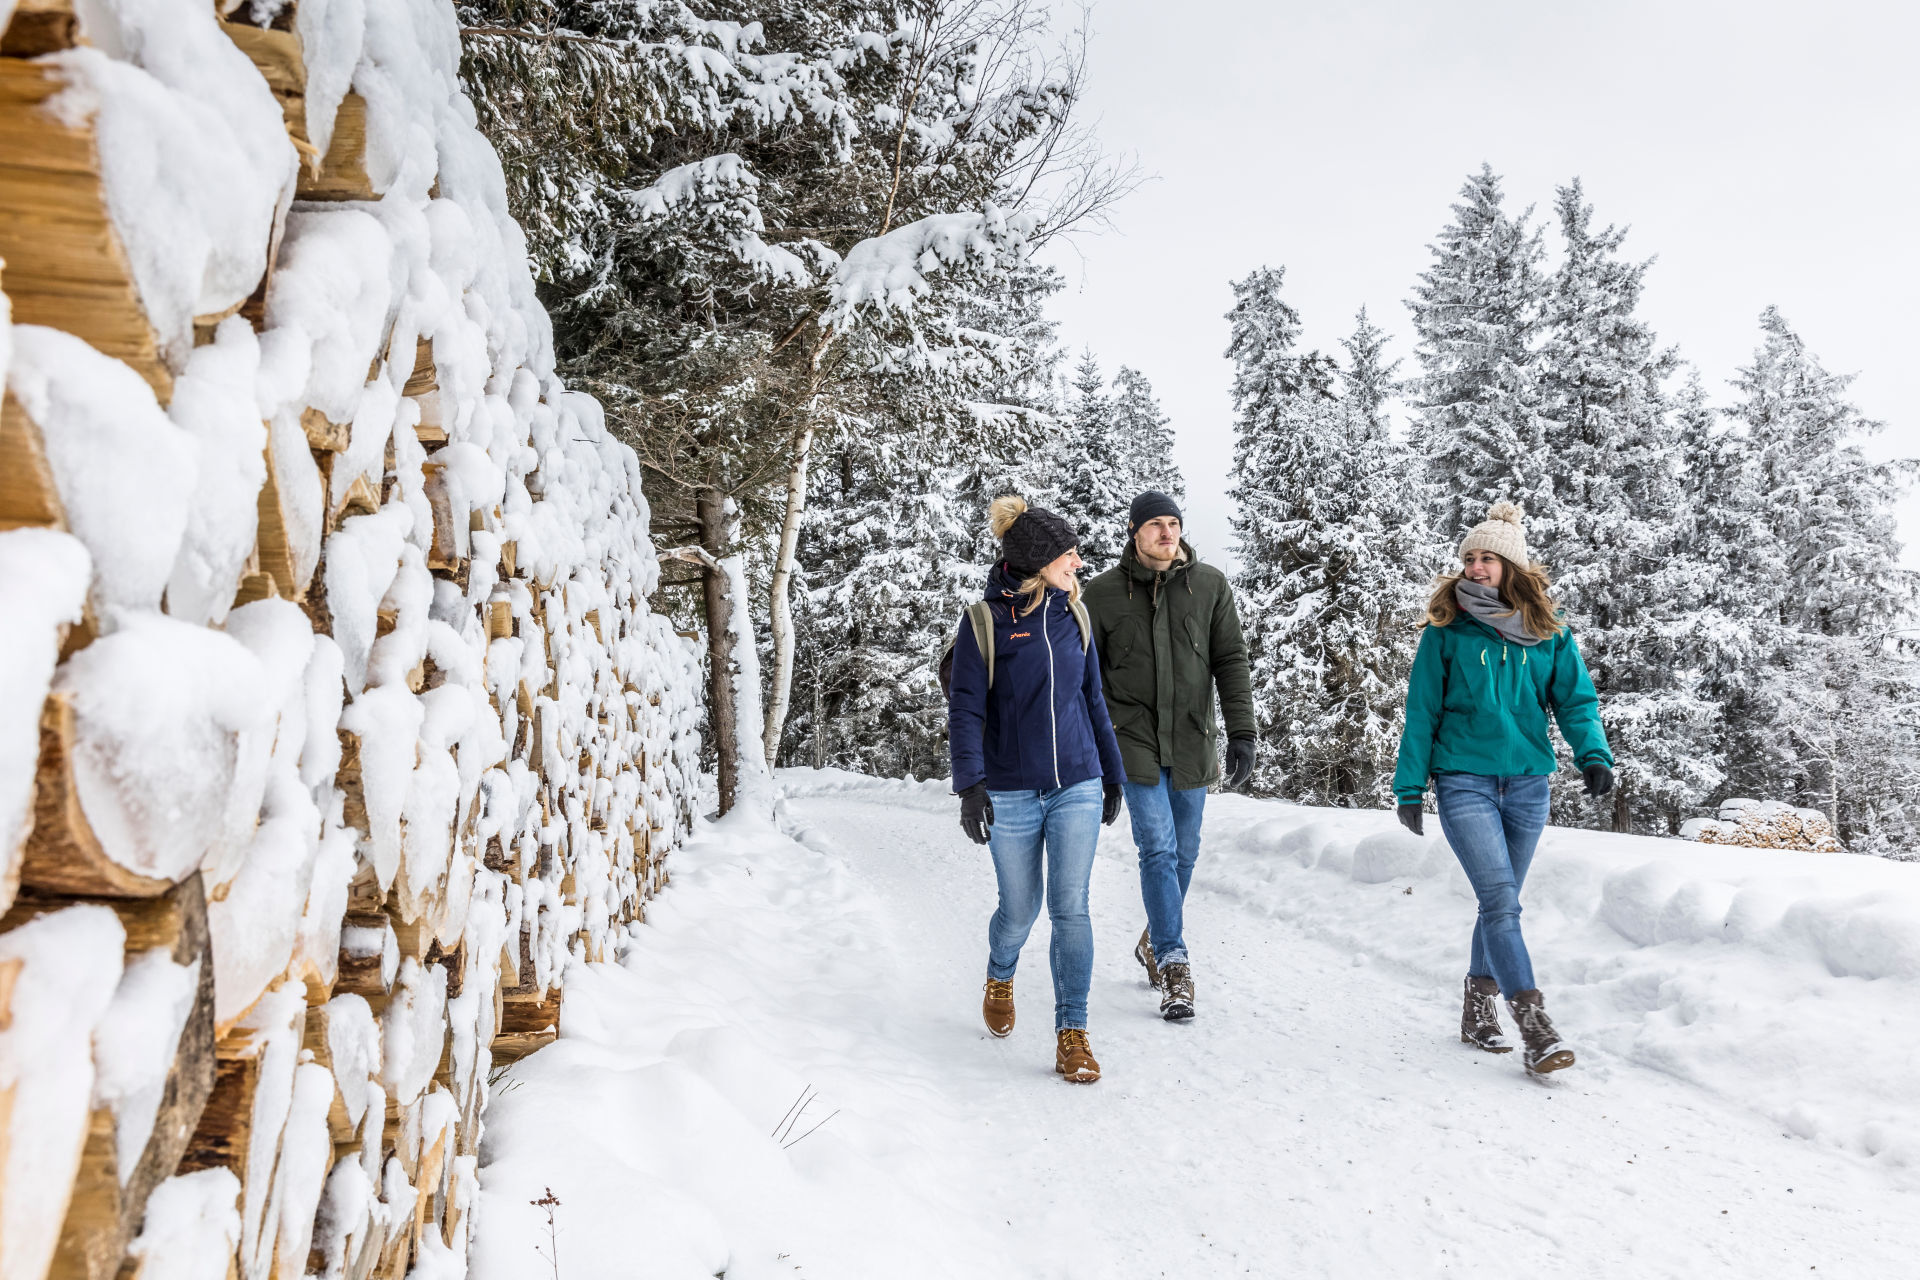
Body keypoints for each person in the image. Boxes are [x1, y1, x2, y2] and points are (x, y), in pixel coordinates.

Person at [1391, 501, 1614, 1076]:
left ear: (1511, 566)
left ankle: (1477, 1006)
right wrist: (1410, 786)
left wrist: (1593, 754)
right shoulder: (1447, 633)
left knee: (1501, 903)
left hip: (1528, 785)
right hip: (1464, 780)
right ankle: (1534, 1025)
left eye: (1487, 558)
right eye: (1469, 558)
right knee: (1500, 902)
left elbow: (1576, 701)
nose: (1475, 567)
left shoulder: (1548, 634)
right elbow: (1421, 712)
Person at [948, 496, 1127, 1084]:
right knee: (1020, 909)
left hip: (1077, 780)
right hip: (1011, 791)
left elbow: (1092, 700)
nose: (1078, 562)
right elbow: (966, 709)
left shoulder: (1073, 615)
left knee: (1070, 907)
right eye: (1068, 554)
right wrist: (971, 786)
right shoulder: (984, 622)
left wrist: (1112, 774)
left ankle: (1072, 1033)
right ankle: (1001, 971)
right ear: (1037, 559)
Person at [1082, 491, 1255, 1022]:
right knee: (1157, 847)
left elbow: (1231, 659)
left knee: (1186, 851)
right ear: (1135, 532)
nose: (1166, 532)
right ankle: (1174, 962)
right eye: (1155, 523)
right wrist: (1094, 756)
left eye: (1173, 523)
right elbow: (1086, 679)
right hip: (1131, 739)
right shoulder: (1102, 594)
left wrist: (1242, 731)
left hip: (1191, 738)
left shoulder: (1210, 586)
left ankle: (1154, 937)